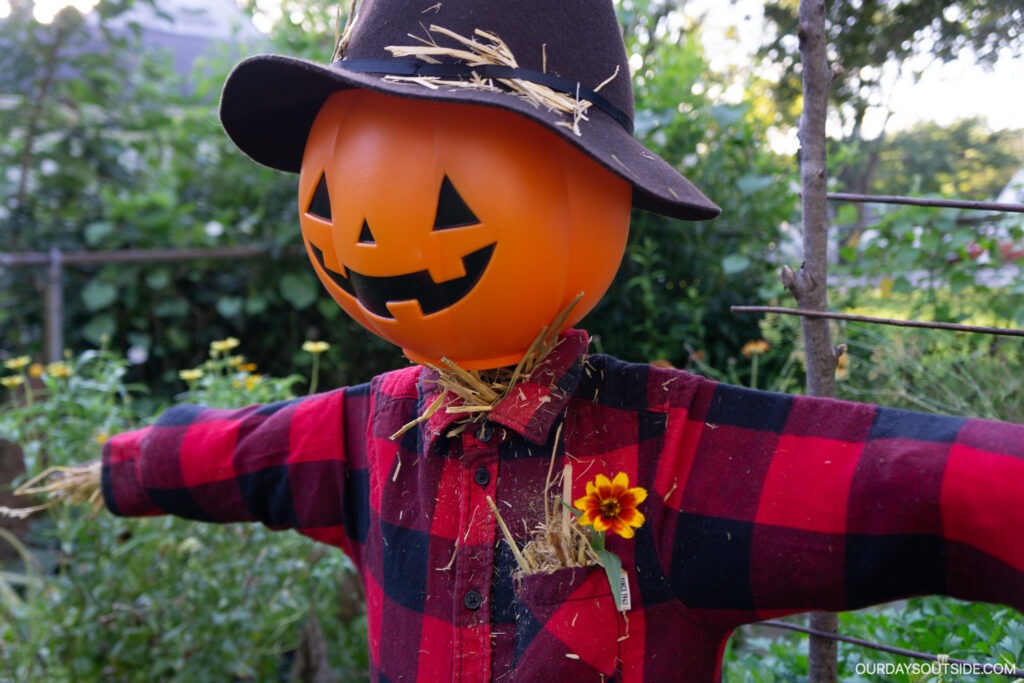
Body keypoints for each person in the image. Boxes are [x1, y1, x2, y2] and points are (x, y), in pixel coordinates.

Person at [98, 1, 1024, 681]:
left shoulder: (678, 457)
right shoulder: (370, 437)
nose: (369, 241)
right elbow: (238, 452)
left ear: (595, 187)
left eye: (446, 199)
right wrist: (115, 467)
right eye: (336, 196)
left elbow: (919, 486)